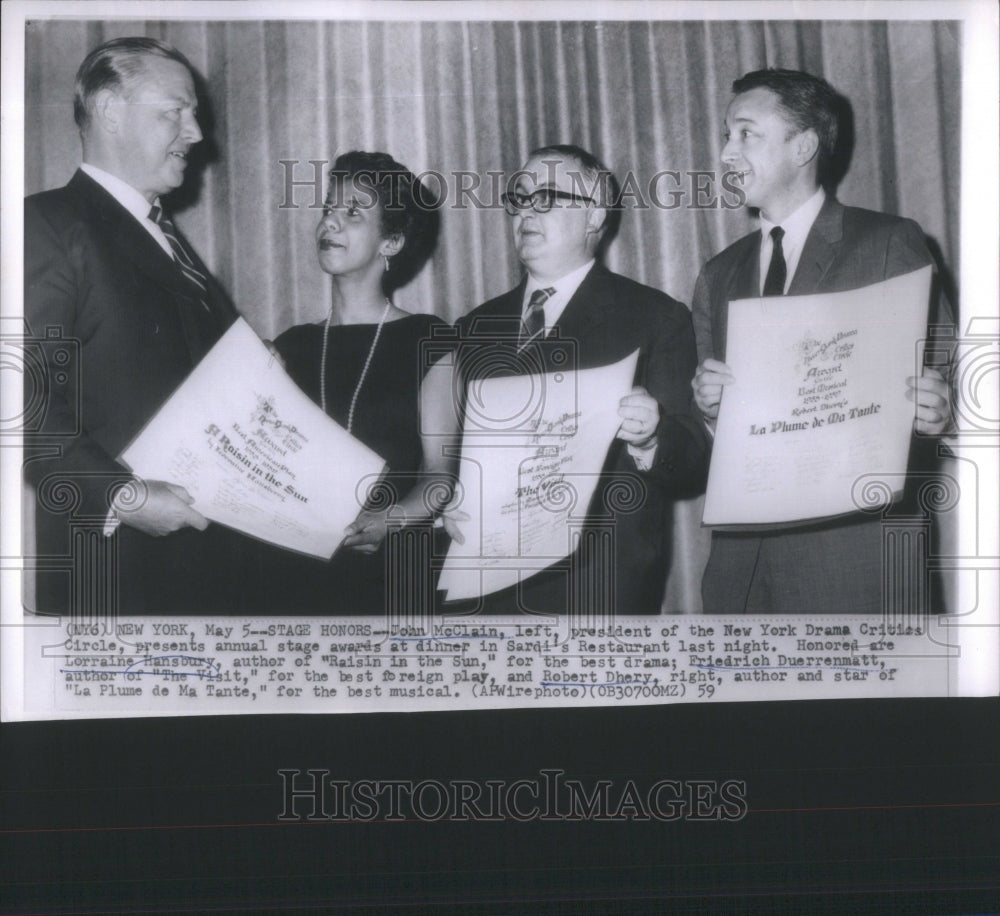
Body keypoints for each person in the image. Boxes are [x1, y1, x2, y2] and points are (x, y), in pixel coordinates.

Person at [691, 68, 954, 614]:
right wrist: (713, 411)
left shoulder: (887, 242)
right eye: (725, 135)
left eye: (745, 133)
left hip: (857, 566)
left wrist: (940, 412)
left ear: (804, 145)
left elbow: (954, 386)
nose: (725, 153)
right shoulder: (718, 273)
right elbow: (723, 443)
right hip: (741, 576)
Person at [23, 37, 252, 615]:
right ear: (109, 112)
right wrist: (119, 496)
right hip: (115, 576)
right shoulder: (45, 224)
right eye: (175, 111)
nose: (197, 132)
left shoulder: (169, 239)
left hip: (205, 572)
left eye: (194, 113)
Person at [447, 144, 708, 615]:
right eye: (519, 198)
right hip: (484, 596)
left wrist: (651, 438)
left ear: (594, 216)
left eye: (545, 198)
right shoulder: (473, 327)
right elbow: (451, 459)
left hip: (595, 593)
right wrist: (450, 502)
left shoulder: (654, 316)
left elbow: (693, 461)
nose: (525, 211)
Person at [257, 151, 453, 615]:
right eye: (328, 209)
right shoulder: (292, 345)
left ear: (391, 242)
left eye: (353, 214)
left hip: (391, 576)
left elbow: (439, 478)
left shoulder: (429, 339)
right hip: (294, 576)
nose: (331, 224)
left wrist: (391, 519)